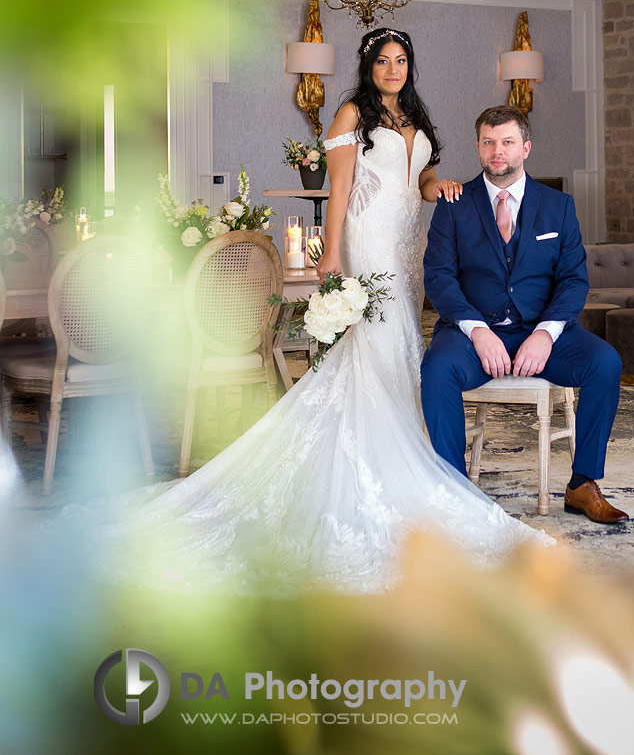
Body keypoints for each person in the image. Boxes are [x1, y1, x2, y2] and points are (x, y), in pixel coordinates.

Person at [80, 31, 553, 597]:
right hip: (367, 243)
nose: (393, 69)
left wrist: (437, 185)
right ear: (368, 65)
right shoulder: (351, 112)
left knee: (403, 347)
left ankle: (404, 452)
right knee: (372, 349)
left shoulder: (414, 114)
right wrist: (331, 255)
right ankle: (377, 468)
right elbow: (341, 189)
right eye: (383, 61)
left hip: (407, 249)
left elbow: (416, 178)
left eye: (401, 61)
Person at [422, 105, 629, 525]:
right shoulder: (453, 205)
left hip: (542, 331)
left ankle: (582, 483)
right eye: (489, 142)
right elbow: (439, 278)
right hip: (473, 332)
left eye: (507, 142)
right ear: (479, 147)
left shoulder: (559, 207)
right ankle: (453, 486)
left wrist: (546, 334)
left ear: (526, 148)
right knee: (437, 369)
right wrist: (477, 330)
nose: (498, 151)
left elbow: (574, 281)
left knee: (605, 362)